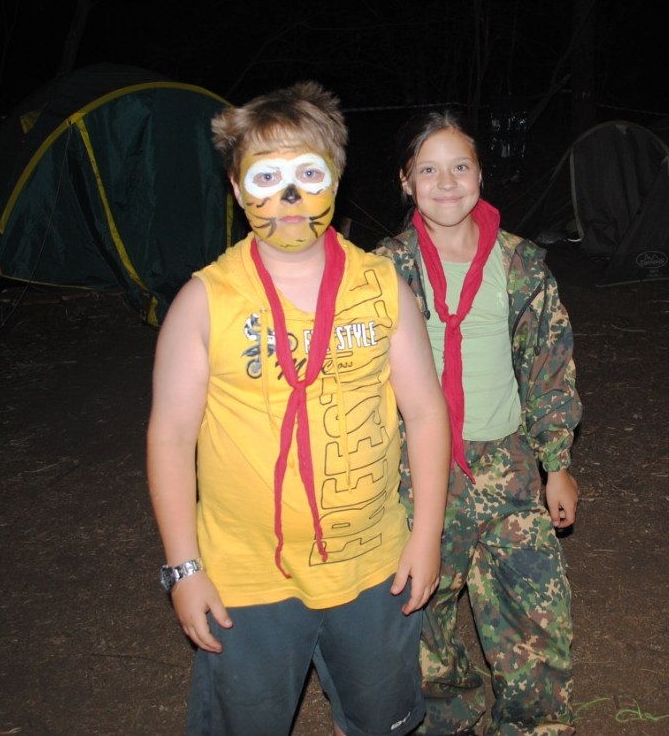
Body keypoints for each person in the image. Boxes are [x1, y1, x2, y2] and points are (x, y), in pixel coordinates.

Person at [146, 81, 451, 736]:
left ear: (336, 177)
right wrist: (184, 569)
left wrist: (426, 534)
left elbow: (426, 412)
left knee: (382, 721)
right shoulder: (205, 303)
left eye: (308, 174)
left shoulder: (381, 287)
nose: (289, 197)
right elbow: (170, 436)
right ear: (236, 188)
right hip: (247, 579)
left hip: (372, 569)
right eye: (267, 177)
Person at [375, 111, 583, 735]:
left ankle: (532, 726)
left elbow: (548, 363)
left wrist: (557, 463)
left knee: (536, 616)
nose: (447, 182)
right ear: (406, 181)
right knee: (420, 622)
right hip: (416, 471)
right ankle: (447, 722)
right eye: (429, 169)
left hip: (508, 466)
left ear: (481, 174)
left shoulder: (520, 264)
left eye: (460, 166)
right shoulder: (382, 270)